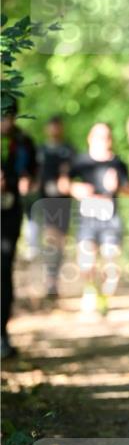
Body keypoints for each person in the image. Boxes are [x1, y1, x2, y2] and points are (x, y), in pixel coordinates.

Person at [66, 123, 129, 316]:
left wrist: (118, 185)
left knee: (111, 260)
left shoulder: (118, 163)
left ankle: (105, 297)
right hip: (87, 219)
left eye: (106, 137)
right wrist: (76, 189)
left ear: (111, 140)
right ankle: (90, 291)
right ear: (90, 139)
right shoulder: (80, 161)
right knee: (86, 262)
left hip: (110, 219)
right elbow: (64, 183)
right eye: (98, 137)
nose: (103, 141)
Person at [1, 101, 37, 359]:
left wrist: (23, 183)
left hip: (9, 213)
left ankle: (2, 334)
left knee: (3, 271)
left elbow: (32, 175)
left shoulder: (23, 141)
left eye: (9, 116)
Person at [32, 115, 76, 301]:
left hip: (63, 202)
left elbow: (78, 171)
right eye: (52, 126)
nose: (55, 130)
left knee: (59, 242)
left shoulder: (69, 150)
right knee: (50, 239)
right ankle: (50, 280)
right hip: (44, 201)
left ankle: (54, 279)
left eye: (58, 126)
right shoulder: (40, 151)